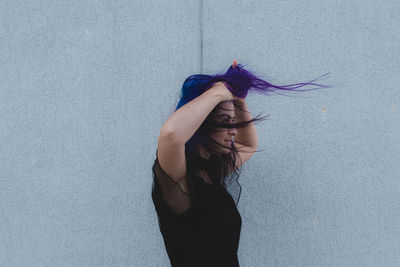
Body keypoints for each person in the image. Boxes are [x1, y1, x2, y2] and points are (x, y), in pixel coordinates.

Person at [151, 61, 330, 266]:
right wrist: (220, 90)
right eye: (226, 122)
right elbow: (171, 135)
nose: (234, 130)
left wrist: (239, 100)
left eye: (234, 122)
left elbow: (248, 144)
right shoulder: (179, 179)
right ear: (202, 124)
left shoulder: (210, 173)